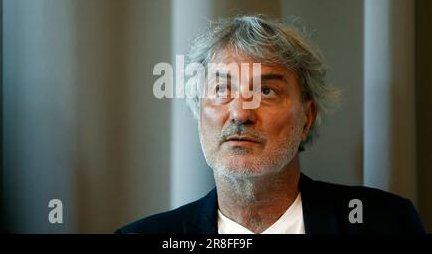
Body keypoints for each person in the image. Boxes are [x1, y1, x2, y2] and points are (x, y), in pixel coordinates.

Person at [116, 15, 424, 234]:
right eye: (222, 90)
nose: (240, 113)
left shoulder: (386, 222)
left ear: (308, 118)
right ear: (199, 113)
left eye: (266, 91)